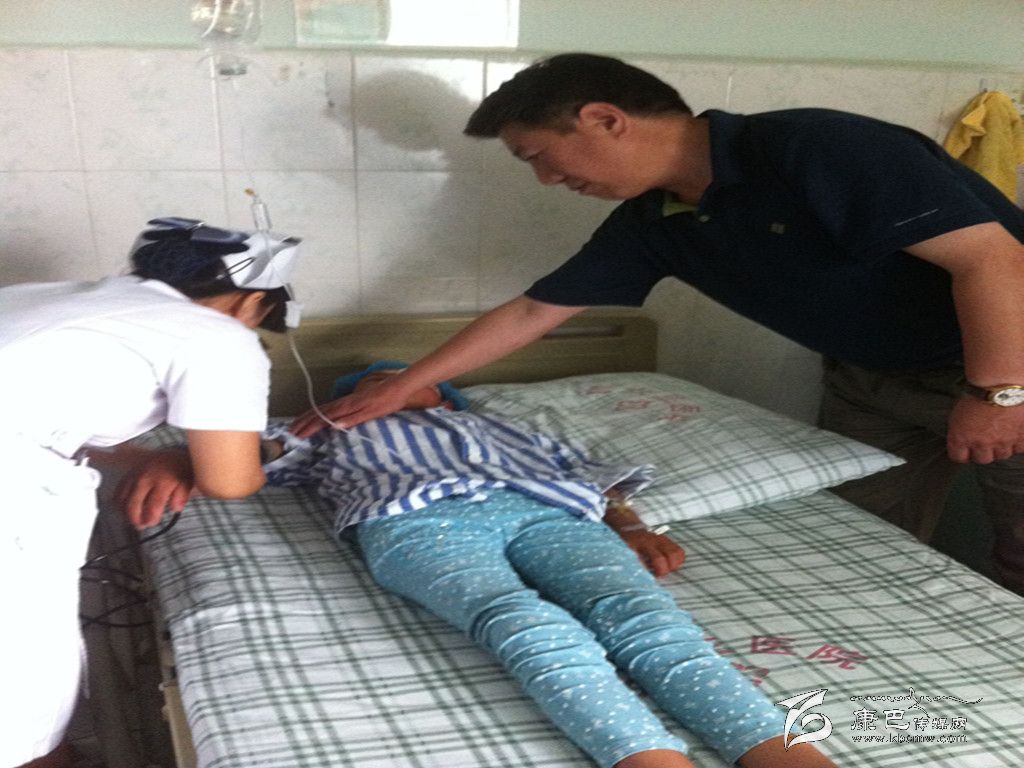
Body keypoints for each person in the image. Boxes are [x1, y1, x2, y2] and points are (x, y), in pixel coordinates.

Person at [291, 53, 1024, 595]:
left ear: (605, 119)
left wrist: (996, 392)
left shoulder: (818, 149)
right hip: (872, 381)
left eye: (539, 156)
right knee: (866, 548)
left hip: (1005, 364)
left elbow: (993, 262)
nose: (548, 180)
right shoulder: (656, 219)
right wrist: (403, 387)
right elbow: (536, 310)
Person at [254, 363, 834, 768]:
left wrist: (631, 526)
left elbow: (590, 477)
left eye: (409, 379)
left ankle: (783, 755)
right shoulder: (328, 428)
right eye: (375, 384)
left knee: (647, 618)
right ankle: (649, 759)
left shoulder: (500, 426)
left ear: (445, 395)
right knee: (523, 623)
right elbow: (259, 457)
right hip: (416, 520)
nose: (392, 387)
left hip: (550, 513)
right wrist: (287, 421)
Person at [0, 216, 301, 768]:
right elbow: (230, 480)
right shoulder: (219, 337)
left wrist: (155, 457)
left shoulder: (51, 297)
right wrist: (259, 451)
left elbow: (46, 415)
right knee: (22, 683)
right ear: (252, 302)